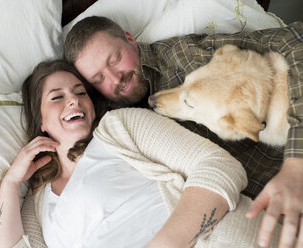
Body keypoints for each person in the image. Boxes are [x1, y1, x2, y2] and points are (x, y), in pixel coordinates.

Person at [0, 59, 281, 248]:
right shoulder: (37, 204)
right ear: (39, 120)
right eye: (57, 97)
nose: (74, 101)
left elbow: (220, 167)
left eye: (80, 92)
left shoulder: (119, 127)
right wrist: (11, 183)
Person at [64, 16, 303, 248]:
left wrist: (295, 164)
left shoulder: (182, 58)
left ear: (130, 39)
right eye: (99, 79)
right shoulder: (113, 124)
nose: (116, 78)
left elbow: (294, 41)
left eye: (115, 59)